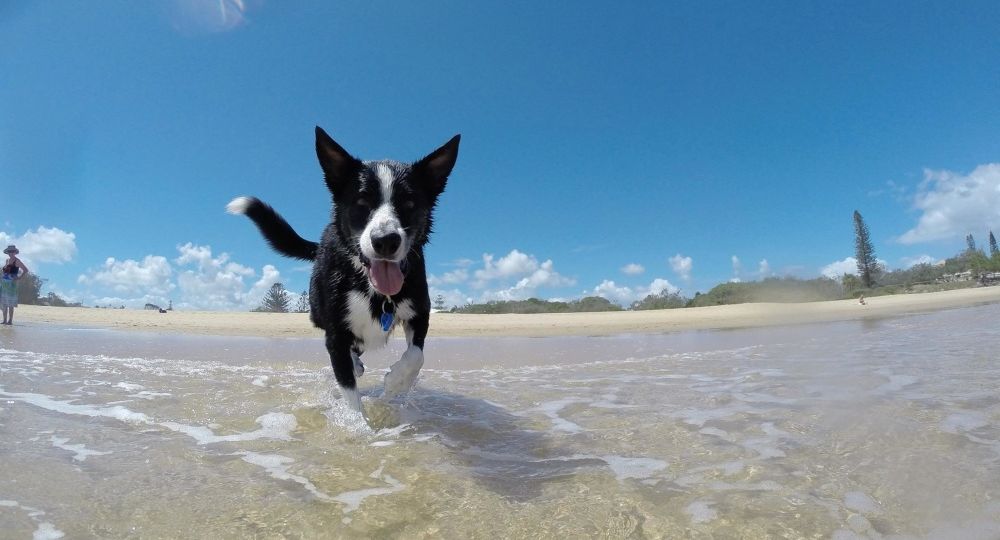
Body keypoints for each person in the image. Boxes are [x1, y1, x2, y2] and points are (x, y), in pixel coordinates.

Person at [2, 245, 29, 325]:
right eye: (9, 251)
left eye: (12, 251)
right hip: (4, 283)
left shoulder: (17, 261)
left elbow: (25, 270)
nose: (10, 253)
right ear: (7, 252)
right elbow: (5, 271)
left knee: (10, 303)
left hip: (12, 284)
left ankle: (10, 321)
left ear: (15, 252)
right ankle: (4, 320)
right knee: (4, 303)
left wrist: (19, 278)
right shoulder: (7, 260)